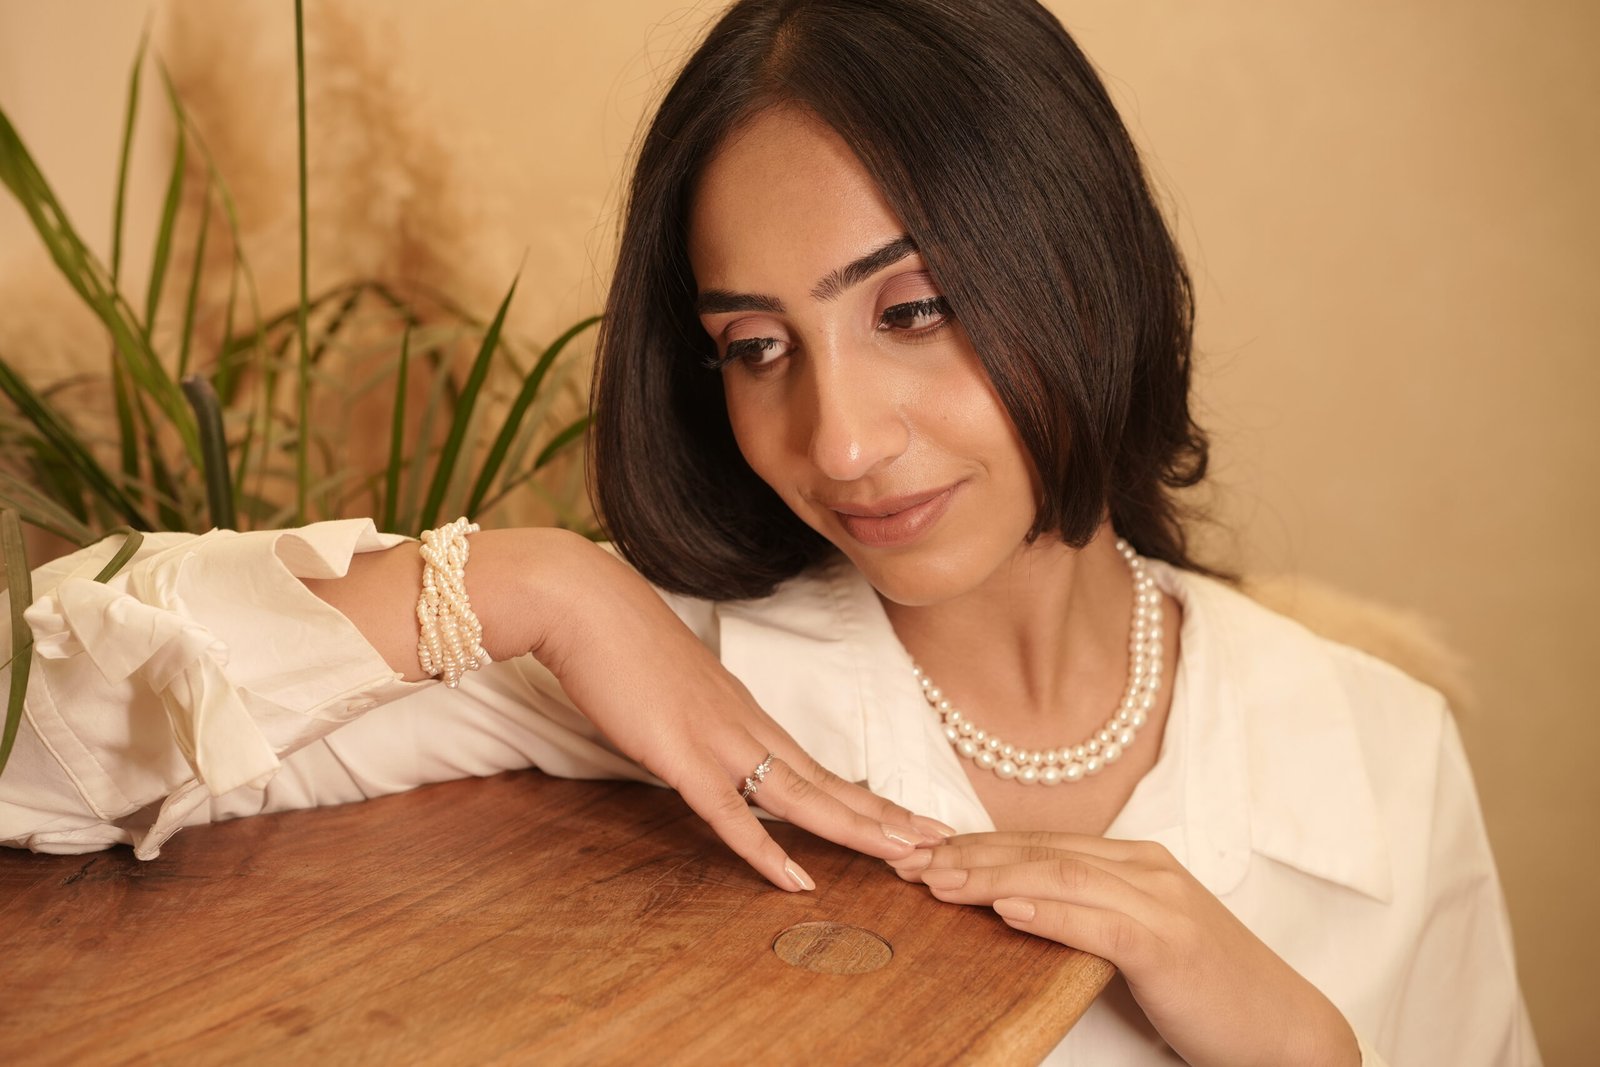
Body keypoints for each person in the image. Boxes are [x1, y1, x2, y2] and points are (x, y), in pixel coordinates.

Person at [0, 1, 1538, 1064]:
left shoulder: (1379, 753)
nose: (840, 439)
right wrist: (539, 583)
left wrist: (1309, 1051)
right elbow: (43, 747)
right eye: (755, 346)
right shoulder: (672, 686)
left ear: (1081, 265)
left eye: (914, 310)